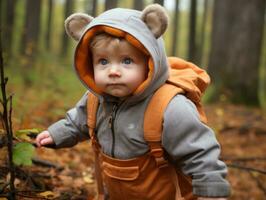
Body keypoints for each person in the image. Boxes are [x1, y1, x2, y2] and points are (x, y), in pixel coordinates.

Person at [36, 4, 230, 200]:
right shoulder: (96, 100)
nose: (113, 71)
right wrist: (57, 134)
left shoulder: (170, 107)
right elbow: (78, 122)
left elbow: (201, 153)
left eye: (127, 61)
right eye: (103, 62)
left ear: (150, 64)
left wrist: (211, 192)